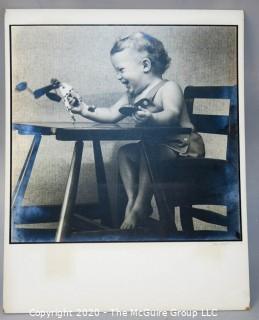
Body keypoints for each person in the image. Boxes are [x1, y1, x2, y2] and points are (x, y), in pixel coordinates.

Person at [70, 32, 205, 230]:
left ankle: (141, 205)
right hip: (157, 147)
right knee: (125, 153)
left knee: (147, 152)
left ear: (145, 65)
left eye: (121, 70)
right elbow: (110, 113)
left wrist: (152, 117)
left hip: (183, 146)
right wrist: (83, 109)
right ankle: (133, 200)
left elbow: (172, 114)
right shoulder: (133, 95)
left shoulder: (168, 88)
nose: (118, 76)